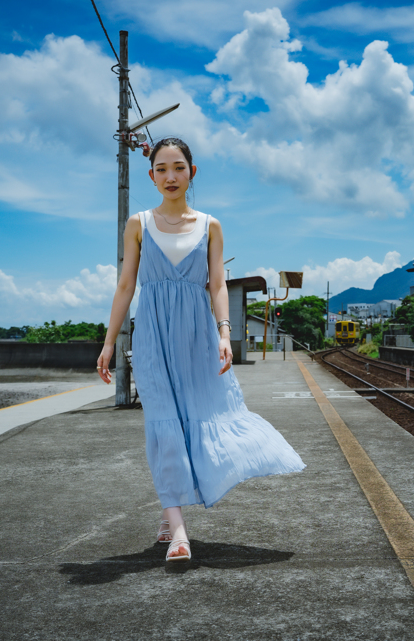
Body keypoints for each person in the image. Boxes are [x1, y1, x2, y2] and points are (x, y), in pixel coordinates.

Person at [97, 137, 305, 563]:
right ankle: (178, 532)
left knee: (199, 419)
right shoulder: (138, 223)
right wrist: (108, 341)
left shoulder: (211, 225)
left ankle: (168, 509)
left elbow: (216, 285)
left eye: (178, 167)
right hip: (153, 337)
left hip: (197, 337)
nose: (170, 176)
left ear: (192, 171)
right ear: (151, 176)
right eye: (161, 169)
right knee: (162, 423)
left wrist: (225, 333)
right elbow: (125, 286)